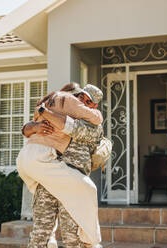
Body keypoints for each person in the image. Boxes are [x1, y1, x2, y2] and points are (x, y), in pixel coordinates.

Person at [16, 83, 103, 247]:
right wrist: (36, 126)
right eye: (80, 96)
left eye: (88, 101)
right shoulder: (64, 112)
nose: (82, 101)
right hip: (51, 172)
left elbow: (73, 128)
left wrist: (47, 113)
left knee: (72, 235)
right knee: (41, 232)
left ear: (94, 105)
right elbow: (27, 129)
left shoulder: (93, 124)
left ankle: (93, 241)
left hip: (72, 180)